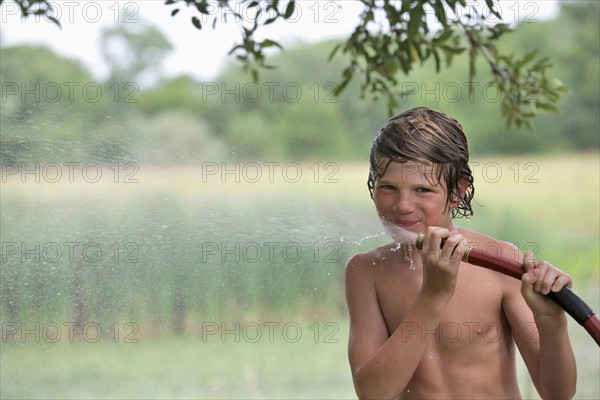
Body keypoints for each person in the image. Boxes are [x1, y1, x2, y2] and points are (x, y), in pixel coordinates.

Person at [344, 107, 577, 399]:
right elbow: (372, 393)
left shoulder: (500, 263)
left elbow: (558, 393)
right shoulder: (367, 272)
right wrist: (434, 294)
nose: (402, 205)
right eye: (389, 187)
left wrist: (552, 323)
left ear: (457, 192)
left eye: (423, 190)